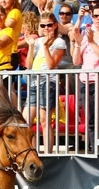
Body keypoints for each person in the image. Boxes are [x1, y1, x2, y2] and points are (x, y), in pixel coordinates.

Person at [69, 4, 99, 152]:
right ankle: (95, 150)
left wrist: (91, 42)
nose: (98, 19)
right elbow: (76, 61)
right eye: (95, 16)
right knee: (90, 119)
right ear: (92, 17)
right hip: (86, 80)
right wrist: (78, 43)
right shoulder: (86, 35)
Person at [22, 12, 65, 154]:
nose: (46, 28)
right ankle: (32, 152)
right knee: (25, 121)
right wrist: (31, 46)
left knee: (44, 120)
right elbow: (28, 65)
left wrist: (46, 46)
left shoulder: (59, 42)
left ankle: (47, 153)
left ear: (55, 26)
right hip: (34, 82)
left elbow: (51, 64)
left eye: (49, 25)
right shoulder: (38, 41)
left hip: (48, 82)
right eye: (43, 25)